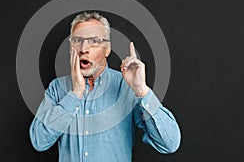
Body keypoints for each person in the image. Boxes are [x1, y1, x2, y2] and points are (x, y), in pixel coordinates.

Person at [29, 11, 181, 162]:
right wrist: (75, 94)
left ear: (107, 49)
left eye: (94, 41)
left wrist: (142, 90)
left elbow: (169, 144)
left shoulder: (126, 87)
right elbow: (39, 142)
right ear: (70, 47)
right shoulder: (57, 88)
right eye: (77, 40)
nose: (83, 49)